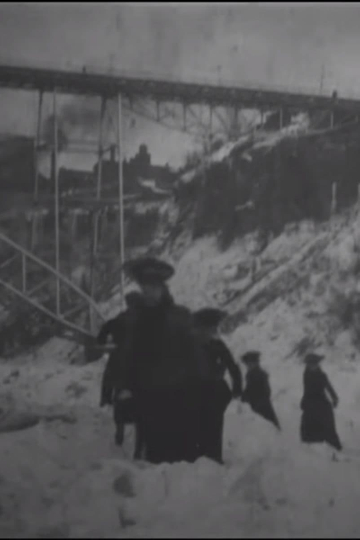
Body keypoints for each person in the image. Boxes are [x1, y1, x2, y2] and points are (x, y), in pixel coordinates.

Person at [121, 256, 211, 465]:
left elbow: (197, 358)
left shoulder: (180, 317)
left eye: (152, 287)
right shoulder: (135, 321)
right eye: (144, 287)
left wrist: (202, 391)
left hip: (177, 399)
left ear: (162, 288)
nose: (148, 293)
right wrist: (125, 387)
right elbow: (129, 357)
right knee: (150, 460)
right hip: (147, 399)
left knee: (179, 460)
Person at [98, 291, 145, 459]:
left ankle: (118, 435)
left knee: (112, 384)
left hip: (119, 362)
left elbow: (103, 333)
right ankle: (139, 450)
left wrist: (104, 342)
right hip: (138, 365)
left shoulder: (119, 319)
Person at [193, 307, 243, 463]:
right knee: (202, 426)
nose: (212, 332)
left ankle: (212, 458)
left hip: (214, 392)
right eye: (209, 328)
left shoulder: (217, 345)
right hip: (197, 392)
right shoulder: (193, 345)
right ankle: (203, 458)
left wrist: (236, 390)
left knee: (213, 426)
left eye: (213, 329)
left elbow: (233, 367)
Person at [300, 352, 342, 451]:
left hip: (321, 402)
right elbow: (307, 390)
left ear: (318, 364)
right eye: (309, 364)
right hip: (310, 402)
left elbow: (328, 387)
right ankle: (313, 445)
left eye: (314, 364)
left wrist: (335, 398)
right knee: (308, 424)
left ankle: (333, 446)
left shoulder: (322, 375)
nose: (312, 366)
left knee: (327, 424)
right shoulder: (306, 374)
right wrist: (304, 401)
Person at [241, 350, 281, 430]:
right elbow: (249, 389)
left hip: (260, 404)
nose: (248, 366)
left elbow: (261, 391)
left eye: (250, 363)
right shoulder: (252, 373)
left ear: (256, 363)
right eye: (247, 364)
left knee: (267, 426)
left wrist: (245, 397)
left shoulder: (257, 374)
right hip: (258, 403)